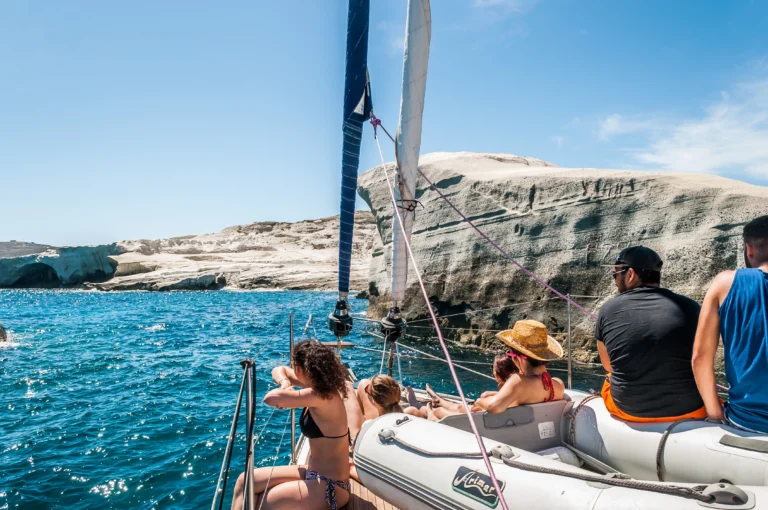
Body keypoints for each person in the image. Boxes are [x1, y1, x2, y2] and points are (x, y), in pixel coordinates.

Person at [232, 341, 350, 510]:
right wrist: (285, 383)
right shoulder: (319, 386)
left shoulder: (320, 395)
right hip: (314, 473)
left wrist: (285, 392)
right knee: (245, 481)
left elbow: (270, 399)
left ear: (300, 368)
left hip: (333, 487)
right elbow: (279, 370)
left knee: (262, 503)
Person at [596, 246, 706, 422]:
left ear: (630, 274)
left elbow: (608, 366)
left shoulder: (608, 310)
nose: (614, 279)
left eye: (616, 273)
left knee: (610, 377)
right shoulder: (692, 307)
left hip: (629, 410)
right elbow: (701, 360)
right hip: (690, 408)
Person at [693, 215, 768, 433]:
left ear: (749, 249)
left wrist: (715, 415)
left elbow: (700, 358)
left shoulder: (725, 283)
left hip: (746, 423)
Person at [405, 320, 564, 421]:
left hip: (495, 430)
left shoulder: (519, 382)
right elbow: (525, 397)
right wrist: (494, 395)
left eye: (510, 353)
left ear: (520, 358)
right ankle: (437, 402)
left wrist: (480, 401)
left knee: (438, 412)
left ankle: (427, 410)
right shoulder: (557, 385)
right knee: (463, 406)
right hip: (519, 426)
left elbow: (494, 407)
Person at [343, 374, 403, 443]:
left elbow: (356, 446)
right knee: (364, 382)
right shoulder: (408, 416)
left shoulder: (368, 426)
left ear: (373, 400)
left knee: (347, 386)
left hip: (362, 440)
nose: (366, 390)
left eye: (367, 389)